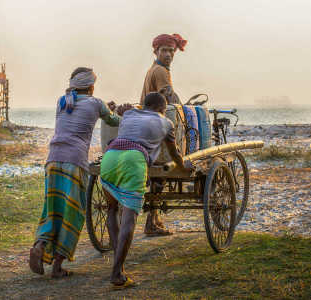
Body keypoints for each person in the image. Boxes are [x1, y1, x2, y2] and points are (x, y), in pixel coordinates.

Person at [29, 67, 120, 278]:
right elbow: (113, 120)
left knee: (51, 210)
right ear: (91, 86)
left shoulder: (62, 101)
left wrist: (105, 109)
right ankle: (58, 267)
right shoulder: (96, 103)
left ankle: (40, 244)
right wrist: (118, 112)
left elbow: (82, 114)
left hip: (53, 160)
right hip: (75, 162)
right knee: (72, 213)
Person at [100, 92, 192, 288]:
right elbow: (174, 153)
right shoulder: (166, 123)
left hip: (110, 156)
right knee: (129, 219)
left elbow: (123, 112)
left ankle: (118, 265)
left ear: (144, 105)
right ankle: (117, 273)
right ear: (162, 108)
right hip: (133, 160)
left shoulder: (130, 115)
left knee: (111, 209)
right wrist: (184, 168)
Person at [140, 33, 187, 235]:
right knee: (161, 174)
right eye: (164, 50)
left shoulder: (156, 68)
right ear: (156, 51)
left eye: (171, 51)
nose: (168, 54)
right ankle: (151, 221)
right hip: (153, 127)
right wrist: (187, 109)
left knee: (158, 179)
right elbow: (169, 96)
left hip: (146, 125)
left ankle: (154, 218)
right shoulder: (160, 71)